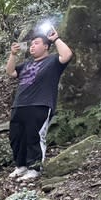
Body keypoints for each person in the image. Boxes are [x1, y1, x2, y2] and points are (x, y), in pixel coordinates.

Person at [5, 28, 73, 182]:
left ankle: (34, 168)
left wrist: (55, 39)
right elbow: (10, 72)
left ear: (46, 47)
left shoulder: (53, 61)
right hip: (19, 105)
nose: (32, 46)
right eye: (31, 44)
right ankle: (21, 166)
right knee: (16, 137)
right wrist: (13, 55)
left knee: (34, 136)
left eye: (36, 43)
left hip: (40, 104)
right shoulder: (26, 64)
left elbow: (67, 55)